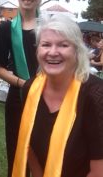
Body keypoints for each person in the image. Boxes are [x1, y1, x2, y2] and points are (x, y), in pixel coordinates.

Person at [13, 14, 103, 177]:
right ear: (38, 50)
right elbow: (29, 144)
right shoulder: (30, 88)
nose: (53, 52)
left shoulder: (95, 94)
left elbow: (99, 169)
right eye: (46, 44)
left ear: (77, 51)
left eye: (63, 45)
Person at [0, 0, 44, 177]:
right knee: (17, 152)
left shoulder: (49, 25)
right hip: (18, 98)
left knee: (44, 152)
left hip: (48, 98)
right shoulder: (6, 29)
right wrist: (25, 84)